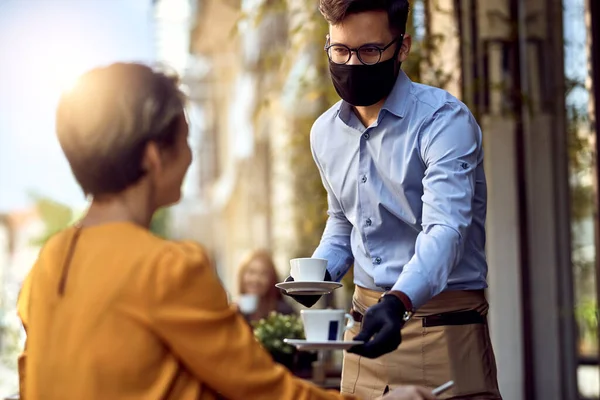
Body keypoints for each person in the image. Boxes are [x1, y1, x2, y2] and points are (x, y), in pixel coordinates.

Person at [16, 62, 437, 400]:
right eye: (184, 138)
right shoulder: (167, 269)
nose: (191, 154)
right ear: (153, 157)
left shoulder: (49, 261)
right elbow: (261, 390)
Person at [287, 1, 502, 399]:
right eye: (340, 51)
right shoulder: (324, 133)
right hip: (362, 332)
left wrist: (399, 300)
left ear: (401, 47)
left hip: (442, 330)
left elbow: (447, 230)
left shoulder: (444, 121)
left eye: (369, 51)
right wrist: (319, 275)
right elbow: (343, 221)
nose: (352, 63)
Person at [236, 249, 295, 322]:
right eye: (251, 272)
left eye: (263, 274)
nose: (256, 279)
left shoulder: (284, 313)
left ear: (272, 279)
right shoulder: (233, 313)